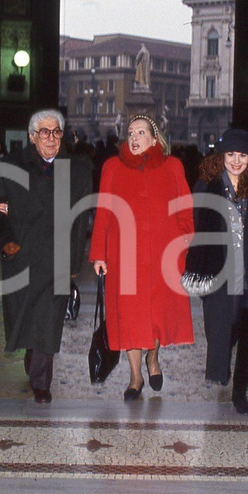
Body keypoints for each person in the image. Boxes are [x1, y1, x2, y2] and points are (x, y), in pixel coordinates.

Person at [0, 109, 92, 404]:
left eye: (56, 132)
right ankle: (33, 356)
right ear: (32, 137)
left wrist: (74, 263)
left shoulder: (78, 169)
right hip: (22, 255)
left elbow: (82, 220)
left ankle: (42, 382)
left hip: (57, 257)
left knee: (49, 319)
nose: (51, 138)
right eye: (44, 132)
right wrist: (5, 241)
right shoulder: (11, 166)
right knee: (26, 316)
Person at [90, 115, 194, 401]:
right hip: (125, 256)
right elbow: (103, 212)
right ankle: (135, 377)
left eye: (141, 132)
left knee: (156, 314)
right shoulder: (112, 167)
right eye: (130, 133)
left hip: (162, 253)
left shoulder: (173, 167)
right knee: (130, 317)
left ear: (154, 137)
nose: (134, 138)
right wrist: (98, 252)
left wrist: (184, 238)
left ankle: (153, 360)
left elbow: (184, 208)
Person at [184, 129, 248, 414]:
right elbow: (197, 229)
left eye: (242, 155)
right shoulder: (206, 186)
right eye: (231, 155)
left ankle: (240, 391)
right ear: (221, 156)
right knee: (223, 327)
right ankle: (222, 362)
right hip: (220, 269)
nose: (236, 161)